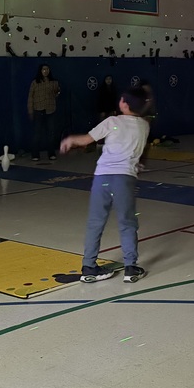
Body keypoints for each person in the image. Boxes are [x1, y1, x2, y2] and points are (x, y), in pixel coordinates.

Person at [60, 86, 150, 284]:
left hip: (102, 178)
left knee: (95, 222)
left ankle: (89, 267)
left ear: (124, 104)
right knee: (127, 223)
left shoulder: (112, 121)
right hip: (125, 179)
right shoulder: (144, 126)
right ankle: (130, 268)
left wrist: (70, 139)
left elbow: (86, 140)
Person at [27, 64, 61, 161]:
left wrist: (57, 91)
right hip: (38, 110)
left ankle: (51, 153)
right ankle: (35, 154)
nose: (45, 71)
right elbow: (30, 97)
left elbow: (56, 94)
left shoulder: (54, 82)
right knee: (37, 133)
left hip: (50, 110)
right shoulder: (35, 82)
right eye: (43, 69)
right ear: (40, 71)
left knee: (51, 132)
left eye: (47, 69)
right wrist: (30, 110)